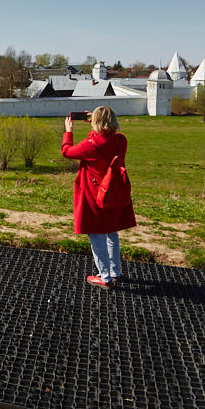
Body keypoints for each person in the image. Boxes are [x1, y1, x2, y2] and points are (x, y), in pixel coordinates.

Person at [61, 106, 137, 288]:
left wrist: (68, 133)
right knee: (111, 231)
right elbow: (108, 137)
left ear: (96, 122)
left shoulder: (91, 145)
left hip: (94, 195)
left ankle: (105, 277)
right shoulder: (120, 140)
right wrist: (97, 125)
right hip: (114, 192)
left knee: (96, 235)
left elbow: (67, 152)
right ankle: (114, 271)